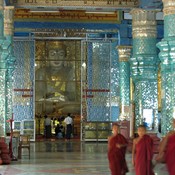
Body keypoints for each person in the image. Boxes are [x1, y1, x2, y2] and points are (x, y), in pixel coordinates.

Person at [35, 41, 77, 114]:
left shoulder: (70, 71)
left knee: (77, 107)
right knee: (39, 106)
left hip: (64, 104)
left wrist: (64, 98)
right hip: (47, 103)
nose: (56, 58)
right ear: (47, 57)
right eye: (52, 54)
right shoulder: (41, 72)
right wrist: (48, 100)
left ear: (65, 57)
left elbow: (72, 94)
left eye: (60, 54)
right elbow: (39, 93)